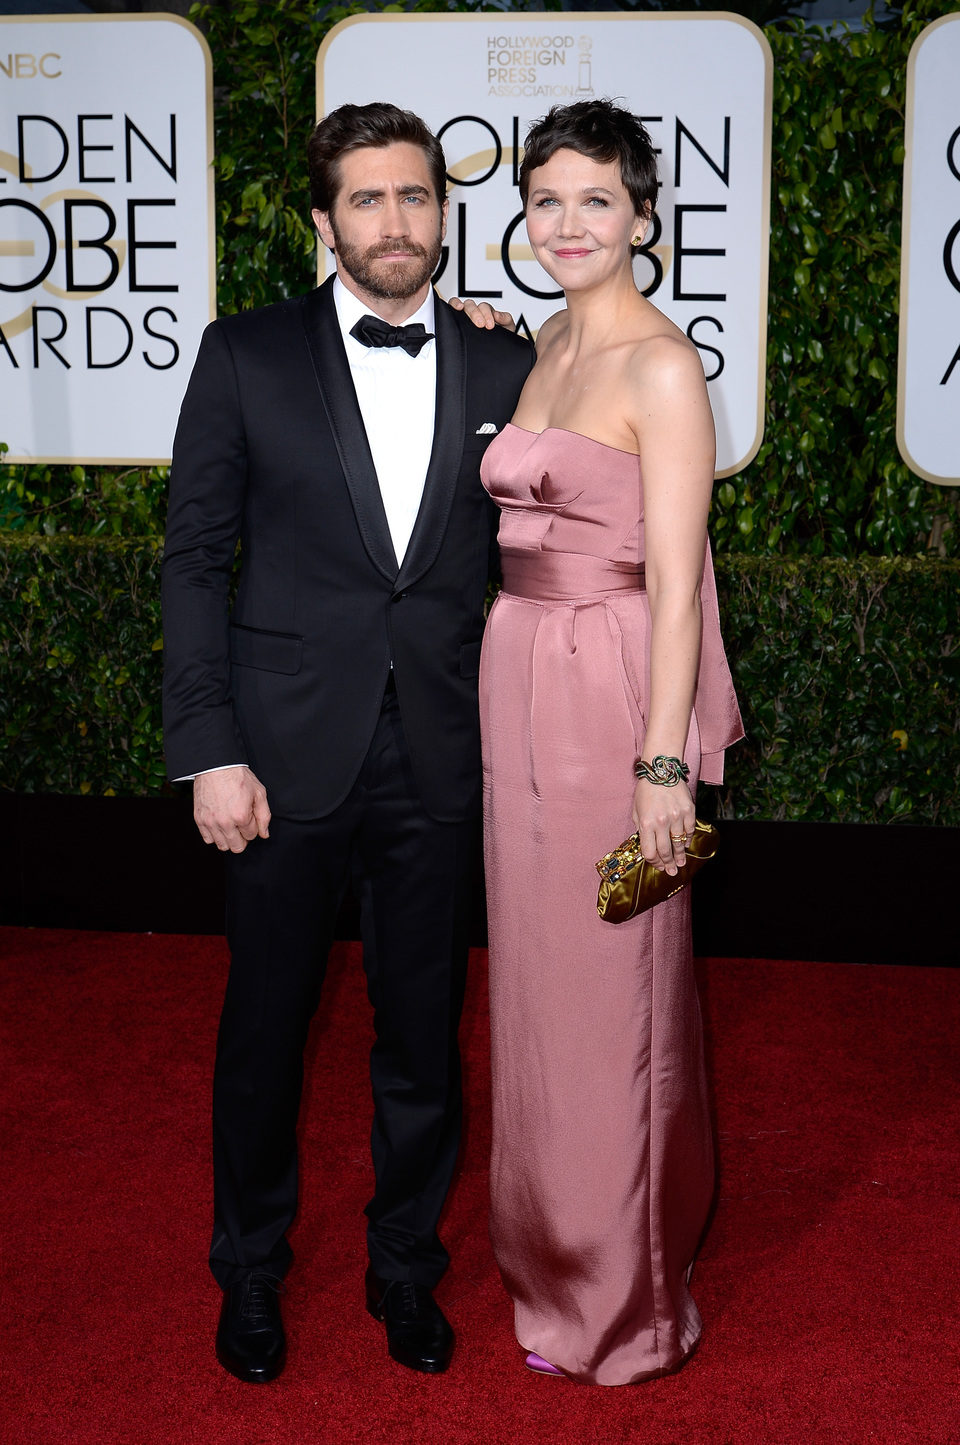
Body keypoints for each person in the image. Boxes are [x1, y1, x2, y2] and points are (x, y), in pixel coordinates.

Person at [161, 101, 534, 1384]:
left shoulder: (502, 361)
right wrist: (209, 744)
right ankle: (251, 1266)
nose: (394, 221)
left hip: (438, 756)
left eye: (415, 197)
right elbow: (194, 560)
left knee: (422, 1036)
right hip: (275, 759)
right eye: (367, 200)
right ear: (324, 222)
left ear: (444, 213)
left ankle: (405, 1265)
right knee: (265, 1033)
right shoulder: (243, 354)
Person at [477, 99, 744, 1385]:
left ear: (642, 215)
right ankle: (546, 1260)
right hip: (514, 676)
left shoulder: (662, 365)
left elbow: (682, 583)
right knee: (535, 991)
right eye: (546, 201)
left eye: (596, 199)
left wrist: (663, 767)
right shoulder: (535, 343)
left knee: (615, 988)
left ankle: (629, 1299)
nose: (568, 224)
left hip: (612, 688)